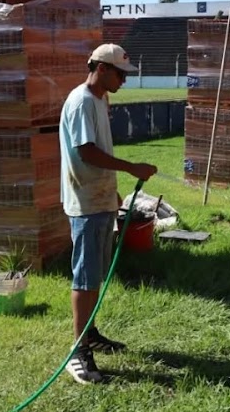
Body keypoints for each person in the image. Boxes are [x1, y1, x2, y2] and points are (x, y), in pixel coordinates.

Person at [59, 43, 157, 384]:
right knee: (84, 278)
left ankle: (90, 332)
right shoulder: (82, 101)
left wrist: (112, 189)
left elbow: (98, 149)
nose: (124, 81)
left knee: (95, 275)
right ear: (101, 68)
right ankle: (78, 352)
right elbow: (86, 152)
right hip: (85, 203)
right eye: (121, 74)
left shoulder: (100, 99)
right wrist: (131, 168)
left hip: (99, 198)